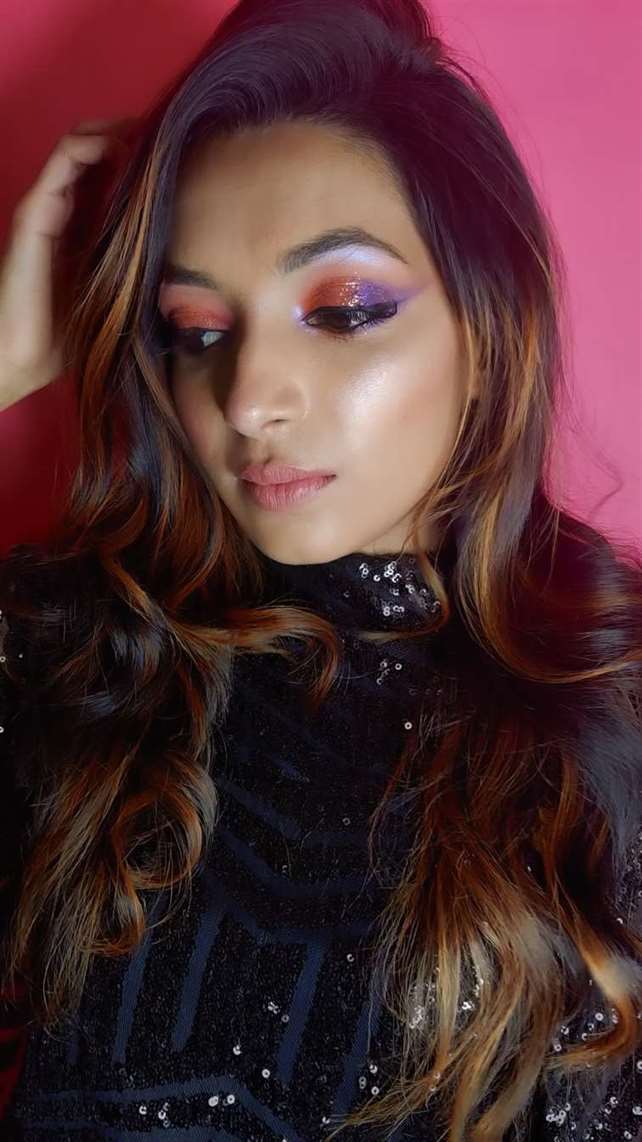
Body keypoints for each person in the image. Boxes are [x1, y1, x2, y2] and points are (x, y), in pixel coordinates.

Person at [0, 0, 640, 1138]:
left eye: (343, 311)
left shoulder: (613, 713)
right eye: (196, 331)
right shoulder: (84, 656)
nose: (249, 398)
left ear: (490, 319)